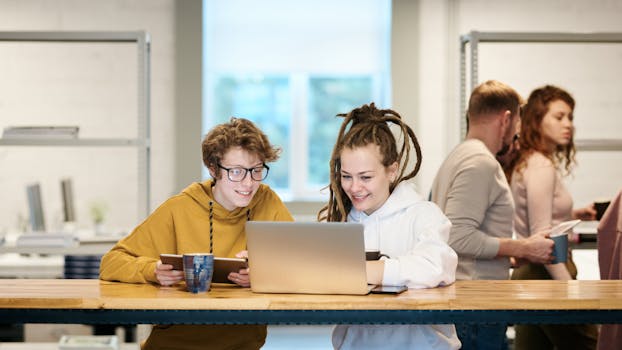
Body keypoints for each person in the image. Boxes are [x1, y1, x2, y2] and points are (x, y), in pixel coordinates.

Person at [100, 117, 294, 350]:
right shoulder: (179, 208)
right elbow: (111, 262)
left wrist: (263, 274)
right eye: (236, 172)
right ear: (213, 169)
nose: (249, 183)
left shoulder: (268, 202)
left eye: (256, 170)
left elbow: (300, 264)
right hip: (174, 346)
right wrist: (152, 271)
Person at [318, 103, 460, 349]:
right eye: (346, 176)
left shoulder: (423, 215)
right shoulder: (341, 221)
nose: (354, 187)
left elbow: (436, 266)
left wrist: (363, 271)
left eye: (366, 177)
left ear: (392, 170)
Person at [430, 80, 554, 350]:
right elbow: (458, 237)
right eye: (517, 126)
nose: (516, 136)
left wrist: (507, 253)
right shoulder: (481, 163)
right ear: (507, 119)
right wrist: (524, 247)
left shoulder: (458, 156)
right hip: (476, 304)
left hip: (467, 300)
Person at [509, 85, 598, 349]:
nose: (568, 124)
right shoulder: (540, 166)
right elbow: (543, 237)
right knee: (591, 344)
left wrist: (573, 213)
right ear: (537, 120)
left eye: (570, 117)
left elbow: (536, 218)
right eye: (559, 117)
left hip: (532, 276)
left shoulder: (530, 161)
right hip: (547, 273)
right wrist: (572, 293)